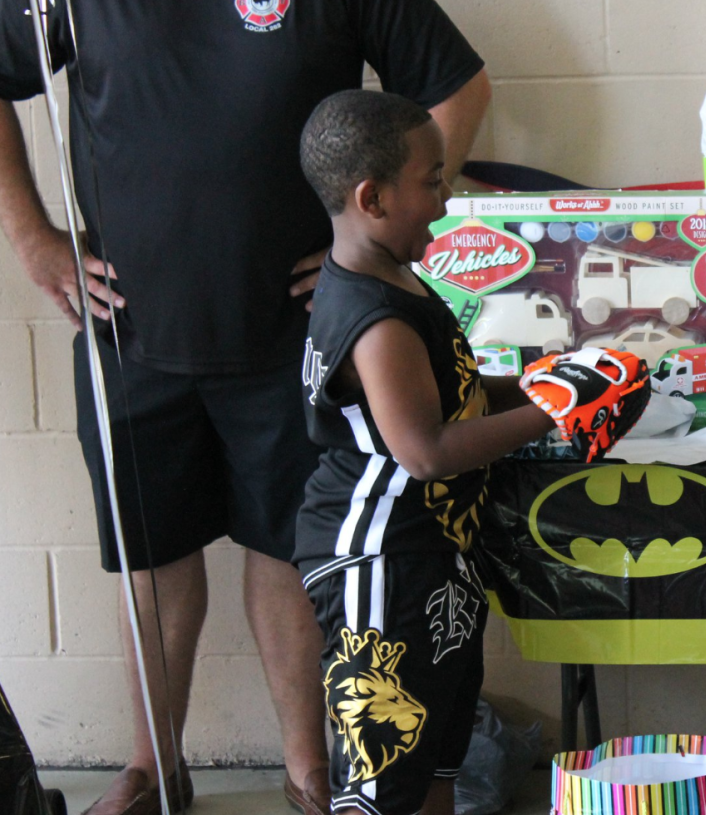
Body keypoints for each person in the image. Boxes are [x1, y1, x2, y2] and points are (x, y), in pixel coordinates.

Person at [0, 4, 490, 815]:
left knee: (289, 550)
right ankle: (154, 764)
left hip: (291, 331)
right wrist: (31, 237)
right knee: (150, 560)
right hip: (129, 327)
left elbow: (458, 86)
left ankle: (307, 769)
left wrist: (369, 239)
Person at [293, 89, 560, 815]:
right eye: (433, 180)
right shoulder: (374, 320)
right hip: (380, 564)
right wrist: (553, 413)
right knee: (379, 792)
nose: (445, 201)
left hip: (432, 554)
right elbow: (429, 450)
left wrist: (553, 380)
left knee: (436, 765)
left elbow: (457, 393)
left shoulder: (396, 277)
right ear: (372, 197)